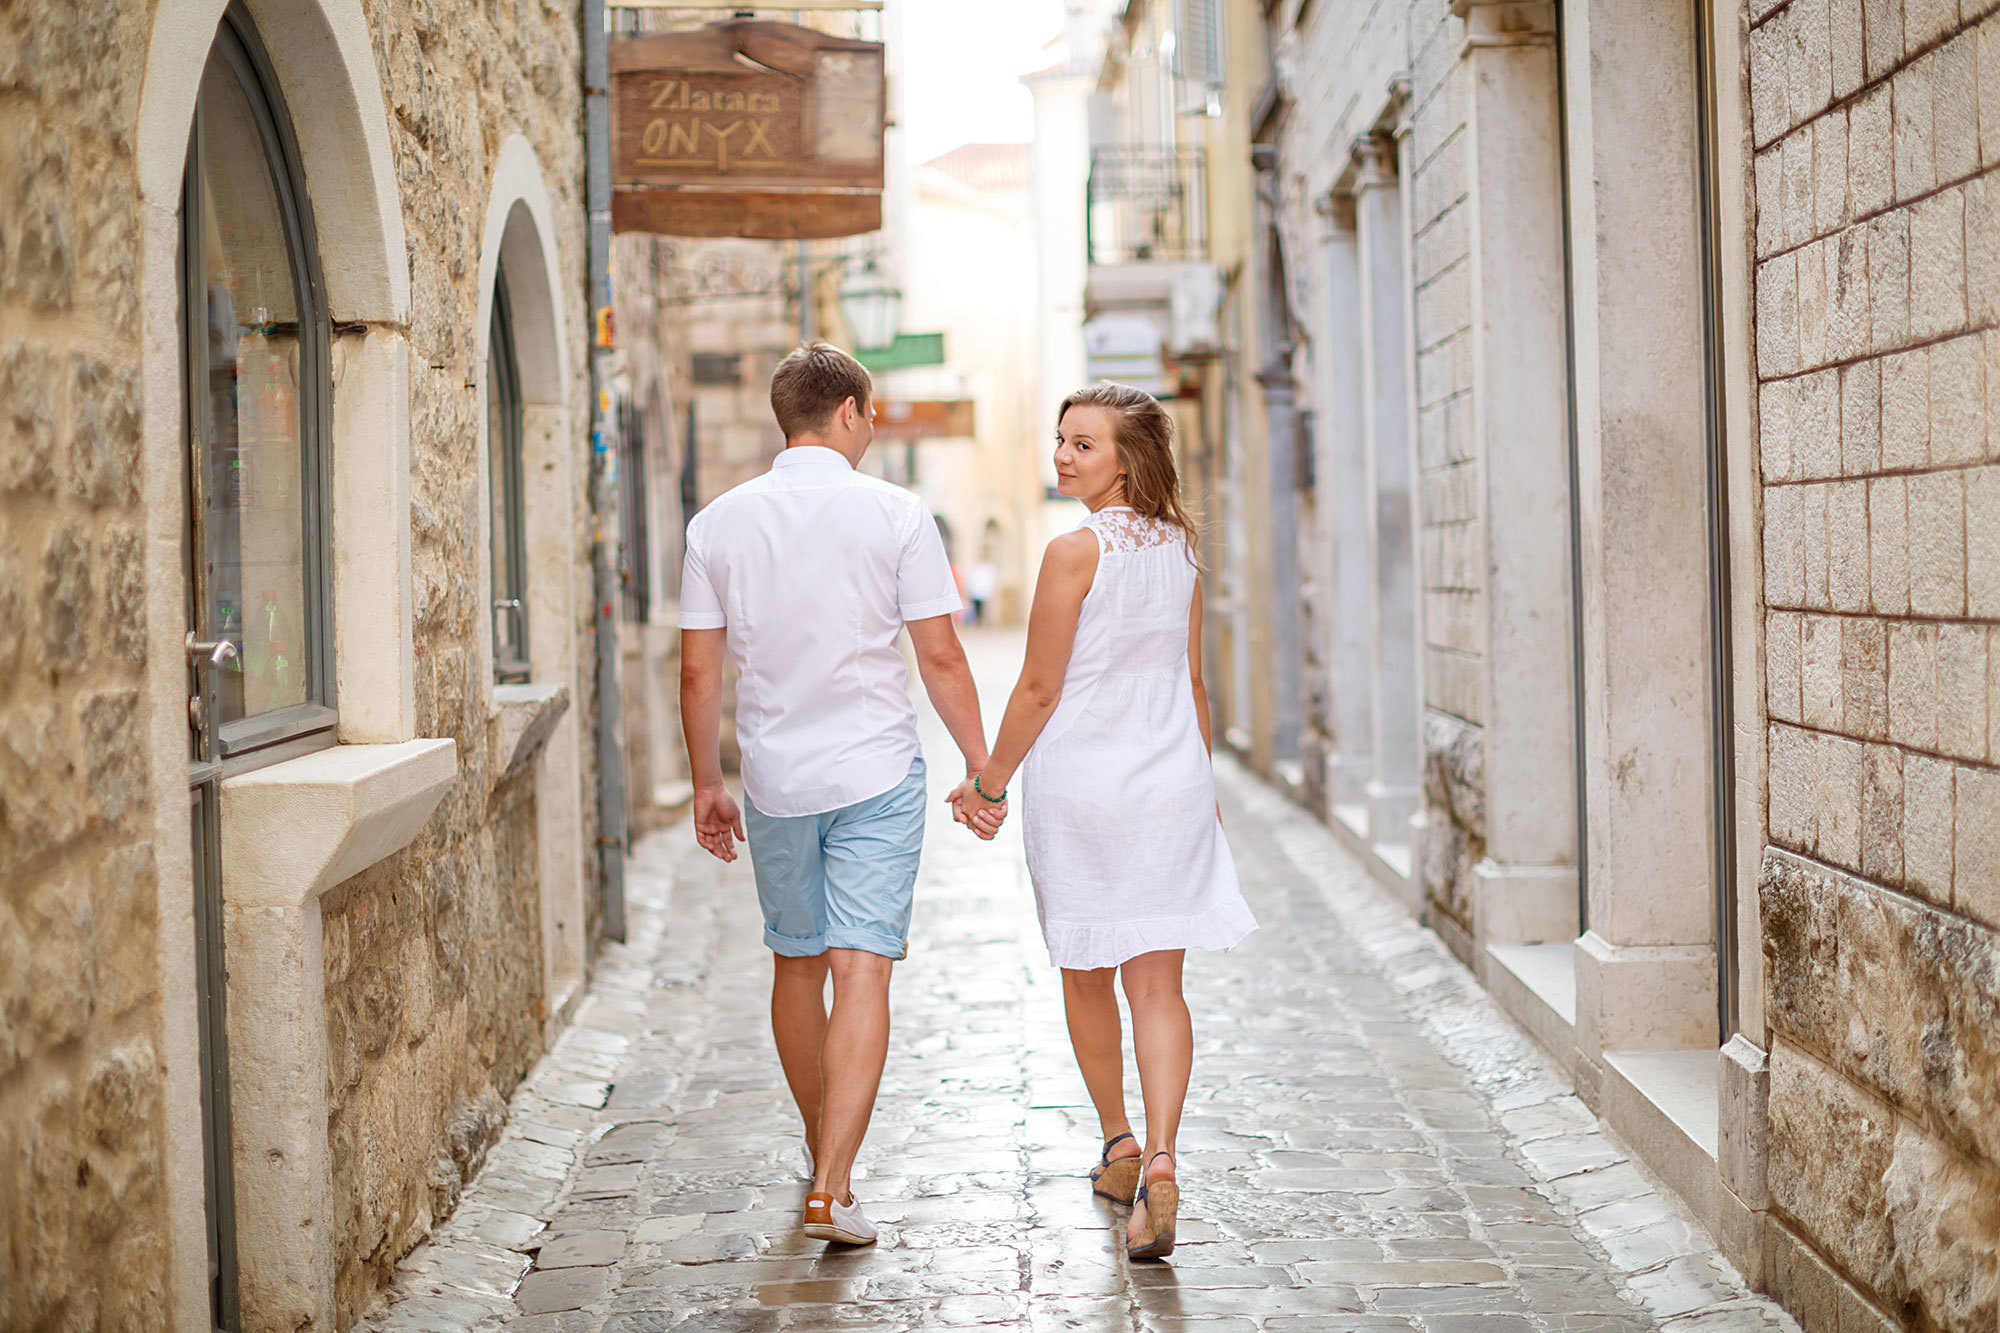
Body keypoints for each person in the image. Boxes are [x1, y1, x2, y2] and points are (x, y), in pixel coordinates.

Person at [680, 341, 999, 1247]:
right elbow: (938, 654)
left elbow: (698, 676)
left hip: (777, 778)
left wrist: (710, 780)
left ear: (788, 416)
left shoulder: (718, 524)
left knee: (797, 962)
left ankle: (822, 1161)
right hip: (874, 771)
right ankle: (832, 1183)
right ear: (852, 411)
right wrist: (982, 765)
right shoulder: (897, 515)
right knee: (863, 966)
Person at [948, 382, 1256, 1262]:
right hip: (1168, 785)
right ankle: (1162, 1154)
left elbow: (1040, 686)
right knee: (1158, 985)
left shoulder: (1072, 551)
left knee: (1087, 974)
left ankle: (1120, 1143)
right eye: (1061, 441)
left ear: (1128, 458)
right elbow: (1191, 685)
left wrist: (990, 782)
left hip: (1085, 786)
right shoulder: (1181, 551)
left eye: (1084, 444)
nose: (1063, 456)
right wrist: (1205, 792)